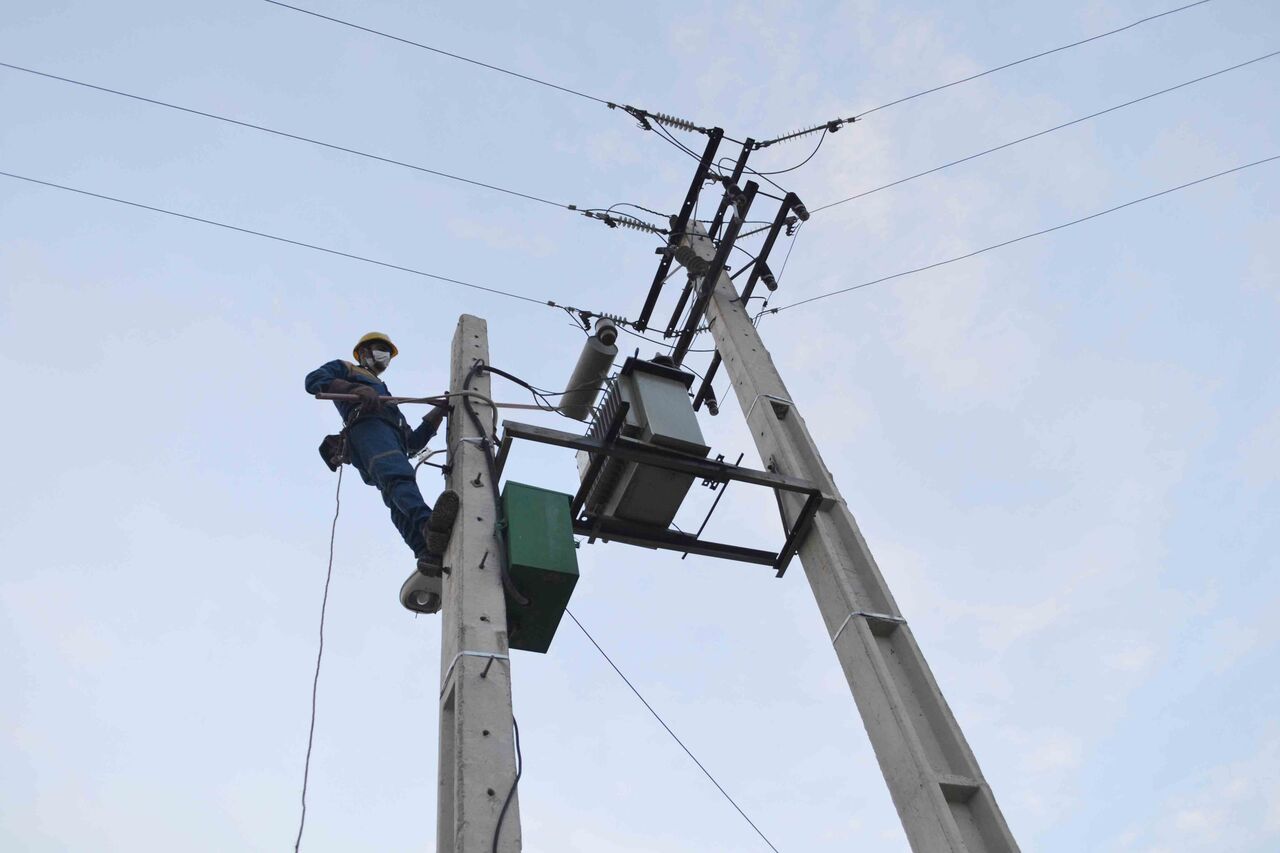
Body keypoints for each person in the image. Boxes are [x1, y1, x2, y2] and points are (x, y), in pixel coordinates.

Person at [305, 332, 458, 613]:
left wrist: (438, 413)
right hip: (367, 430)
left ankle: (426, 552)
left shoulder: (387, 396)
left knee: (394, 497)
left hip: (387, 437)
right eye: (378, 350)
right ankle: (427, 524)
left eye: (386, 352)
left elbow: (411, 443)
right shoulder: (347, 369)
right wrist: (354, 391)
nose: (383, 356)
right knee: (397, 477)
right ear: (363, 353)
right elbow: (313, 380)